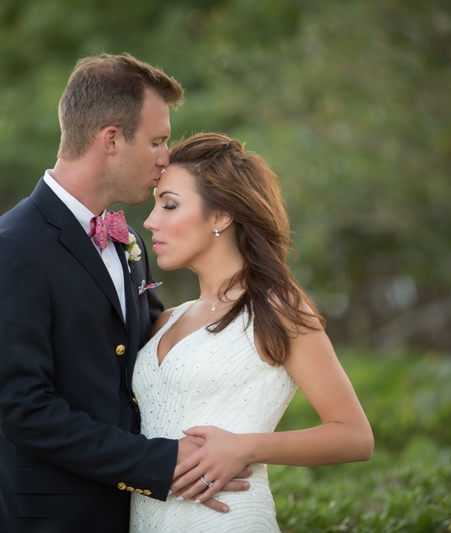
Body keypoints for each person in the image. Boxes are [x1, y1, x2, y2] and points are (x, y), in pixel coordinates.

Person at [0, 55, 247, 533]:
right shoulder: (12, 247)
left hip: (140, 518)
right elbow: (24, 409)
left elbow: (147, 357)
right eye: (156, 141)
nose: (165, 156)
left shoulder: (127, 239)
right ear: (111, 140)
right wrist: (159, 462)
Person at [130, 132, 374, 531]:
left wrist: (245, 447)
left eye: (169, 205)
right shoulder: (165, 319)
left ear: (221, 215)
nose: (150, 221)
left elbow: (355, 436)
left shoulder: (277, 309)